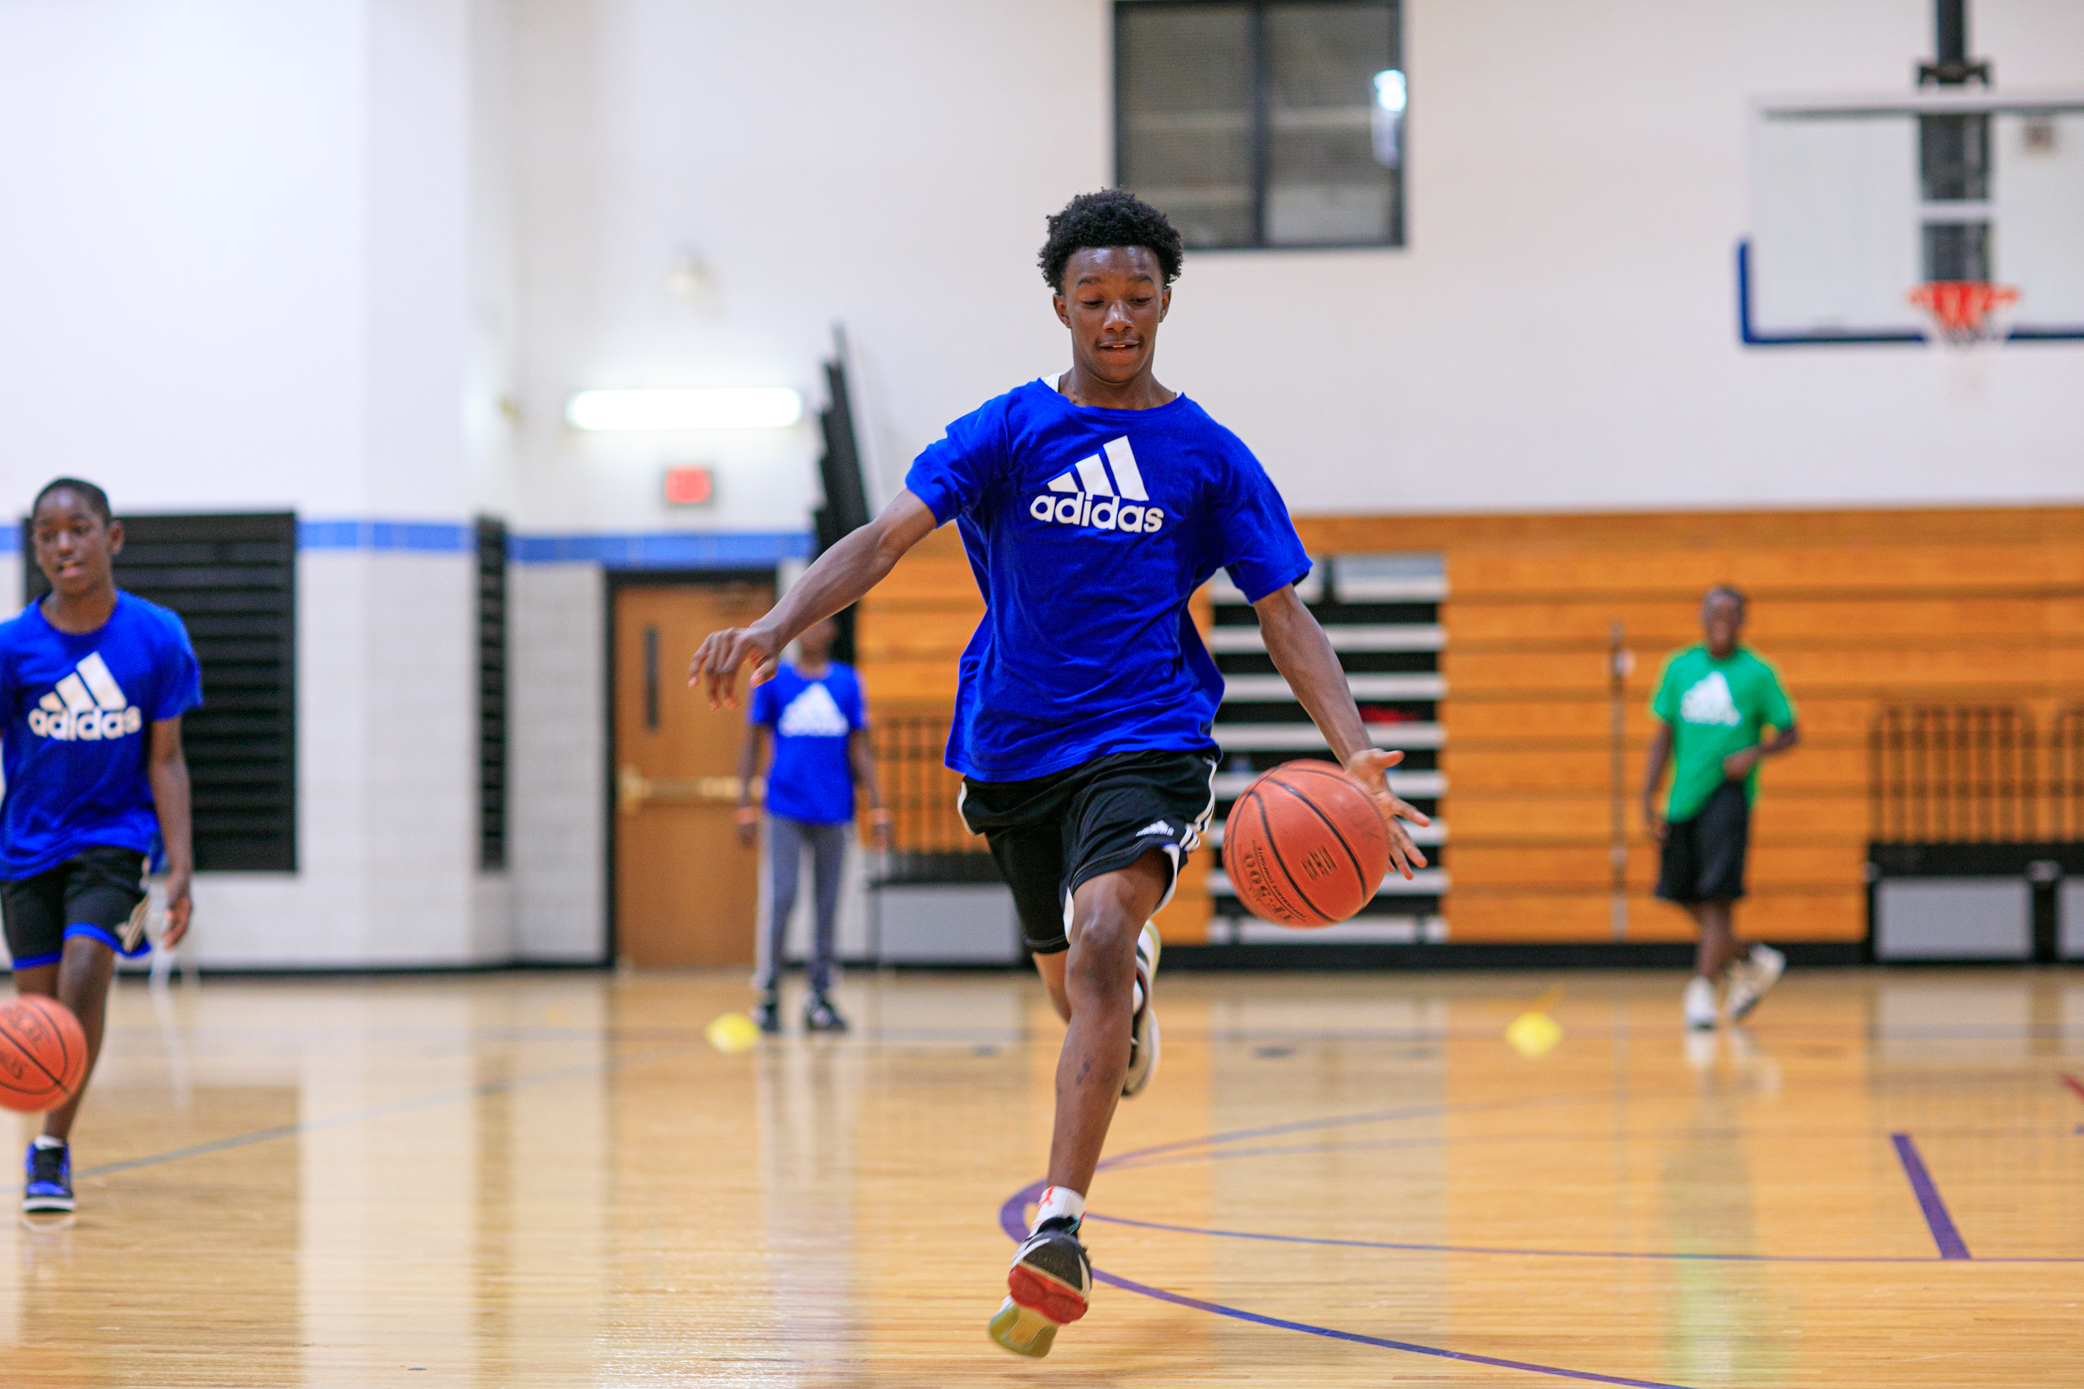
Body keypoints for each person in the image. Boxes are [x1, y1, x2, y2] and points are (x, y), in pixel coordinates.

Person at [690, 189, 1429, 1358]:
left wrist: (1353, 757)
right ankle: (1120, 992)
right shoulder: (1003, 432)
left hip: (1148, 739)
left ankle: (1059, 1227)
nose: (1117, 316)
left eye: (1137, 296)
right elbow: (881, 542)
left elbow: (1283, 613)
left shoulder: (1207, 455)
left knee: (1093, 941)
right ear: (1060, 307)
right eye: (1095, 298)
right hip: (1012, 750)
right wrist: (776, 625)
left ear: (1165, 302)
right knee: (1067, 981)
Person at [2, 478, 200, 1214]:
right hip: (27, 850)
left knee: (89, 966)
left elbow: (167, 758)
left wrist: (179, 865)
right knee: (39, 1016)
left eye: (78, 529)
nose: (62, 545)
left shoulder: (156, 637)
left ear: (111, 538)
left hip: (116, 842)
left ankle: (51, 1147)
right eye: (47, 534)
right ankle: (45, 1121)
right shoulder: (13, 646)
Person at [1643, 585, 1799, 1031]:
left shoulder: (1757, 673)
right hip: (1682, 796)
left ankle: (1703, 990)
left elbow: (1790, 731)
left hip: (1727, 796)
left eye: (1732, 613)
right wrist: (1646, 795)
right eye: (1715, 611)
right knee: (1678, 893)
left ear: (1744, 620)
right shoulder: (1678, 668)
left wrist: (1756, 754)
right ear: (1702, 615)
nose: (1723, 619)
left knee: (1717, 898)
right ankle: (1752, 959)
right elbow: (1663, 736)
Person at [736, 615, 890, 1034]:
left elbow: (861, 749)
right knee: (780, 897)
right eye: (804, 624)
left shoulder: (846, 682)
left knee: (827, 905)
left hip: (833, 808)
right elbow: (751, 742)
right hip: (783, 806)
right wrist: (744, 804)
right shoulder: (775, 679)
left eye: (820, 625)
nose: (810, 631)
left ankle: (819, 996)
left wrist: (877, 808)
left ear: (831, 633)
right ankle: (768, 995)